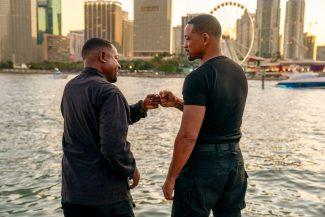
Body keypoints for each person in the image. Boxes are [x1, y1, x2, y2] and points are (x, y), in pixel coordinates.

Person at [159, 14, 249, 217]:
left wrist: (171, 177)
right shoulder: (238, 72)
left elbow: (188, 136)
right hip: (235, 164)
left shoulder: (198, 77)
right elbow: (215, 115)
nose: (185, 44)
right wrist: (177, 104)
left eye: (188, 38)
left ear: (206, 38)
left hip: (205, 165)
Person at [60, 38, 160, 217]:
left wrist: (141, 108)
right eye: (116, 58)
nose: (119, 65)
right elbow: (112, 146)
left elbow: (96, 123)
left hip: (73, 194)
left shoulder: (71, 87)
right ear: (103, 56)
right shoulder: (109, 92)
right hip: (106, 197)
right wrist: (131, 168)